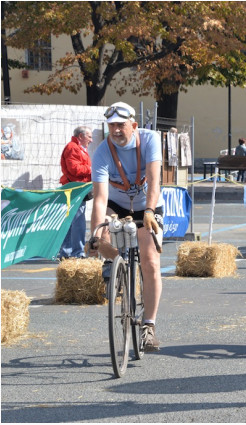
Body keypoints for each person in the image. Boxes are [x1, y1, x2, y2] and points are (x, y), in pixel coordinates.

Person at [88, 101, 164, 351]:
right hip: (117, 204)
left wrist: (151, 211)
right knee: (104, 232)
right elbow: (99, 198)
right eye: (112, 126)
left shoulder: (150, 139)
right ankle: (113, 264)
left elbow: (154, 181)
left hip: (147, 205)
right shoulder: (101, 151)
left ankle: (148, 326)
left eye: (121, 125)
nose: (116, 130)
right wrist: (96, 235)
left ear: (134, 125)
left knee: (150, 260)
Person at [58, 126, 93, 259]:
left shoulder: (78, 148)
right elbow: (74, 169)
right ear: (80, 136)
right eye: (89, 137)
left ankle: (66, 251)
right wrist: (91, 169)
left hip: (78, 188)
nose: (91, 140)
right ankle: (77, 252)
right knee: (78, 221)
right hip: (75, 189)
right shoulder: (73, 147)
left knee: (73, 220)